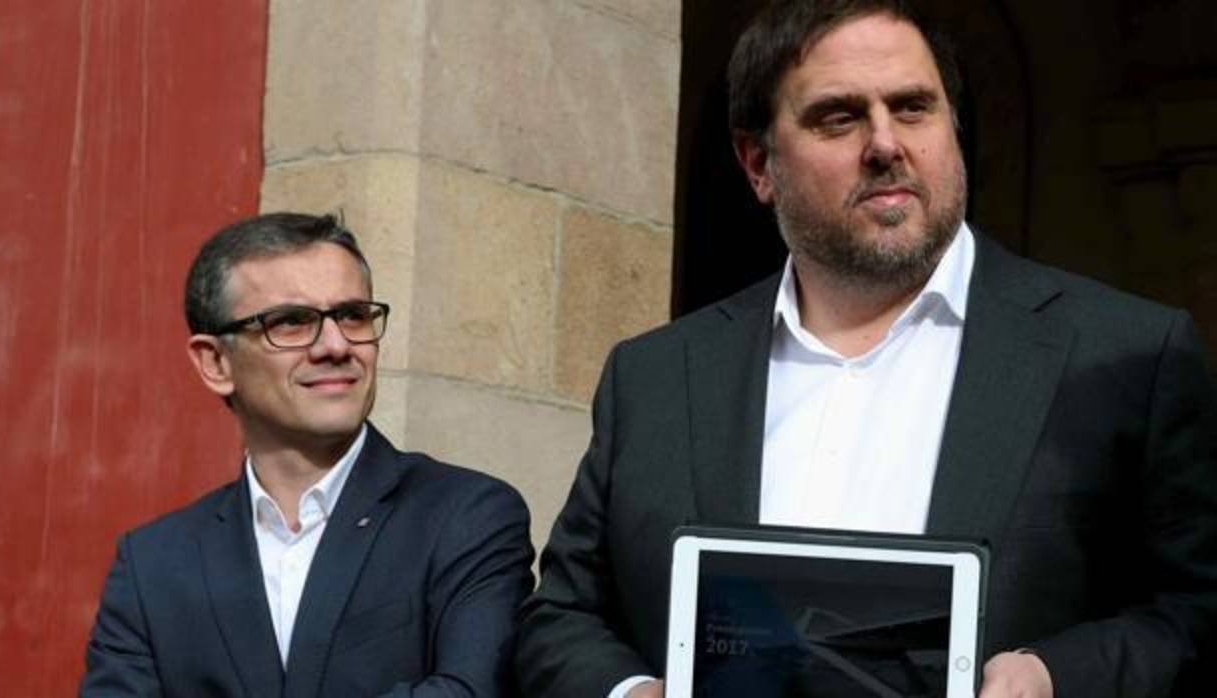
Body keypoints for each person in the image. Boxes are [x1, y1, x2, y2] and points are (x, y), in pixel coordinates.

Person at [514, 1, 1217, 697]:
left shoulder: (1125, 355)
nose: (885, 144)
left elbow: (1195, 611)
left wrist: (1052, 676)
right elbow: (563, 615)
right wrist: (634, 695)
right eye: (840, 117)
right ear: (758, 163)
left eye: (913, 108)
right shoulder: (658, 376)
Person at [81, 212, 533, 697]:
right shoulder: (153, 564)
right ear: (215, 362)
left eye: (353, 315)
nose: (336, 345)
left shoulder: (467, 516)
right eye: (292, 322)